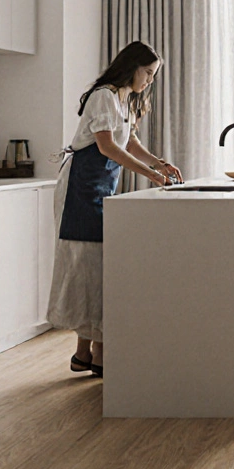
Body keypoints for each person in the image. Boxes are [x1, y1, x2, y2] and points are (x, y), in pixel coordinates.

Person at [46, 41, 183, 377]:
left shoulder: (124, 98)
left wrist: (158, 162)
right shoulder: (103, 95)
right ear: (132, 66)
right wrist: (150, 174)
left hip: (99, 188)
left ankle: (84, 354)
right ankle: (97, 354)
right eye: (148, 73)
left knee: (97, 270)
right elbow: (107, 146)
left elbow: (128, 140)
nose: (150, 80)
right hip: (80, 192)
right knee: (89, 269)